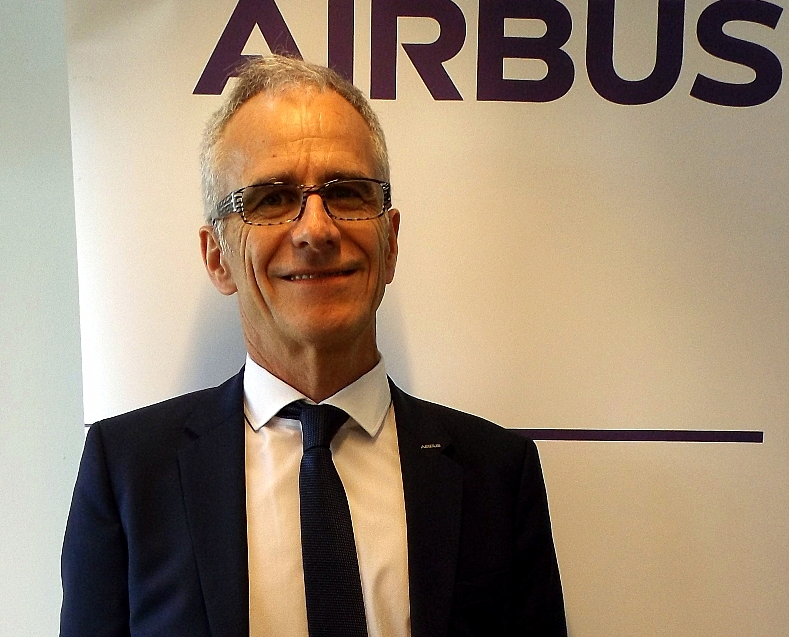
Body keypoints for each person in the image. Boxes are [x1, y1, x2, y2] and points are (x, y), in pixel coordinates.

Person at [60, 55, 566, 637]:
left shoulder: (496, 475)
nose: (317, 230)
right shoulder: (127, 474)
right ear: (217, 256)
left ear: (390, 242)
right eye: (271, 199)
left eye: (347, 192)